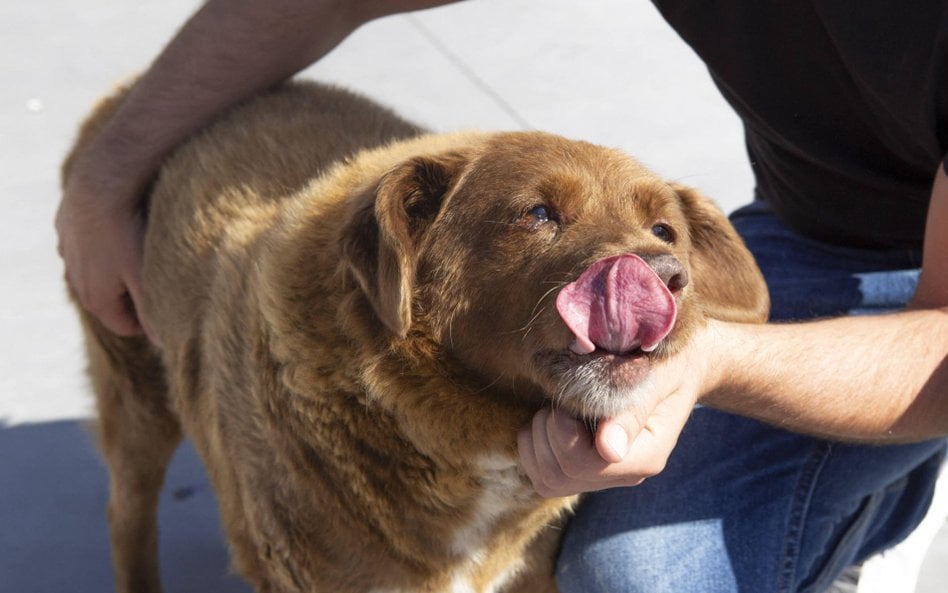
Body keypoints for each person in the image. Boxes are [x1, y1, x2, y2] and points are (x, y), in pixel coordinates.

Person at [56, 1, 948, 592]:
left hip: (926, 319)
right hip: (806, 221)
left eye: (663, 244)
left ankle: (856, 511)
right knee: (142, 458)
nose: (650, 268)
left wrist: (709, 356)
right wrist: (101, 178)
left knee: (640, 575)